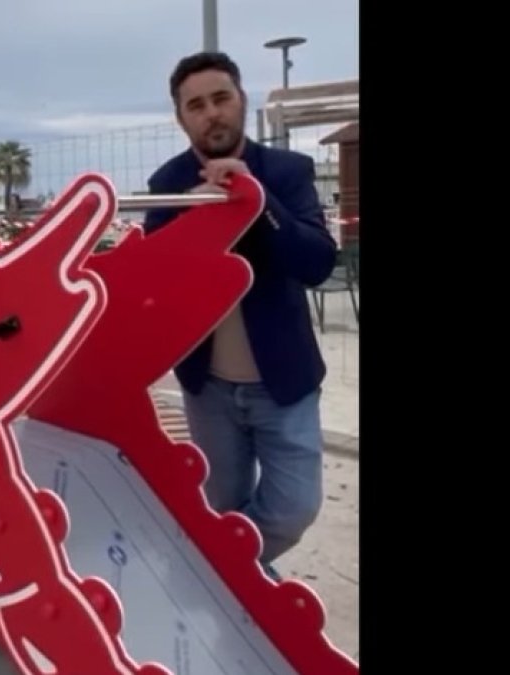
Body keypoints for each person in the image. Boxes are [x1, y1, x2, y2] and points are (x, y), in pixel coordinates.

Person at [140, 52, 338, 578]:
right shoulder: (166, 185)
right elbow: (155, 288)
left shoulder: (288, 172)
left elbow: (317, 263)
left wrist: (259, 201)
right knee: (220, 508)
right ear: (182, 118)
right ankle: (241, 593)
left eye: (221, 99)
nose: (212, 114)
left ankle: (213, 570)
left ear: (242, 101)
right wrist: (192, 223)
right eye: (197, 105)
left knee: (293, 509)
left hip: (284, 382)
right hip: (209, 390)